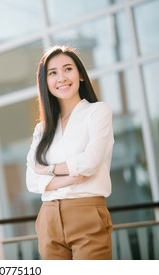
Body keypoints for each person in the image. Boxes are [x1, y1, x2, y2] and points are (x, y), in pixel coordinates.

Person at [26, 45, 114, 260]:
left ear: (81, 75)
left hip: (86, 213)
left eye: (68, 69)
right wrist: (71, 177)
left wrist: (50, 170)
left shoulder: (97, 112)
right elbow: (31, 181)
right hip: (48, 217)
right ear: (45, 82)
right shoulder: (42, 129)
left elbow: (90, 162)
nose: (61, 78)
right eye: (52, 73)